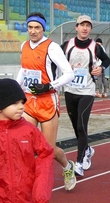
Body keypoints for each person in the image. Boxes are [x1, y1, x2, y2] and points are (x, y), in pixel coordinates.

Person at [16, 12, 77, 191]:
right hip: (28, 102)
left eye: (37, 28)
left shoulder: (52, 48)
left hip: (47, 102)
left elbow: (69, 73)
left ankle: (67, 166)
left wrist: (49, 86)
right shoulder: (24, 45)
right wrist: (14, 88)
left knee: (47, 149)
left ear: (43, 29)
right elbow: (24, 69)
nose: (33, 31)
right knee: (24, 142)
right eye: (30, 27)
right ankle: (30, 180)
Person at [61, 15, 110, 177]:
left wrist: (101, 68)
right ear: (76, 27)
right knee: (76, 127)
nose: (85, 28)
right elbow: (55, 60)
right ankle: (87, 149)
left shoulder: (95, 47)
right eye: (82, 25)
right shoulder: (67, 45)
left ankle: (80, 162)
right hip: (70, 90)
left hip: (87, 91)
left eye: (88, 25)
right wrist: (64, 66)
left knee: (82, 125)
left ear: (90, 29)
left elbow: (106, 60)